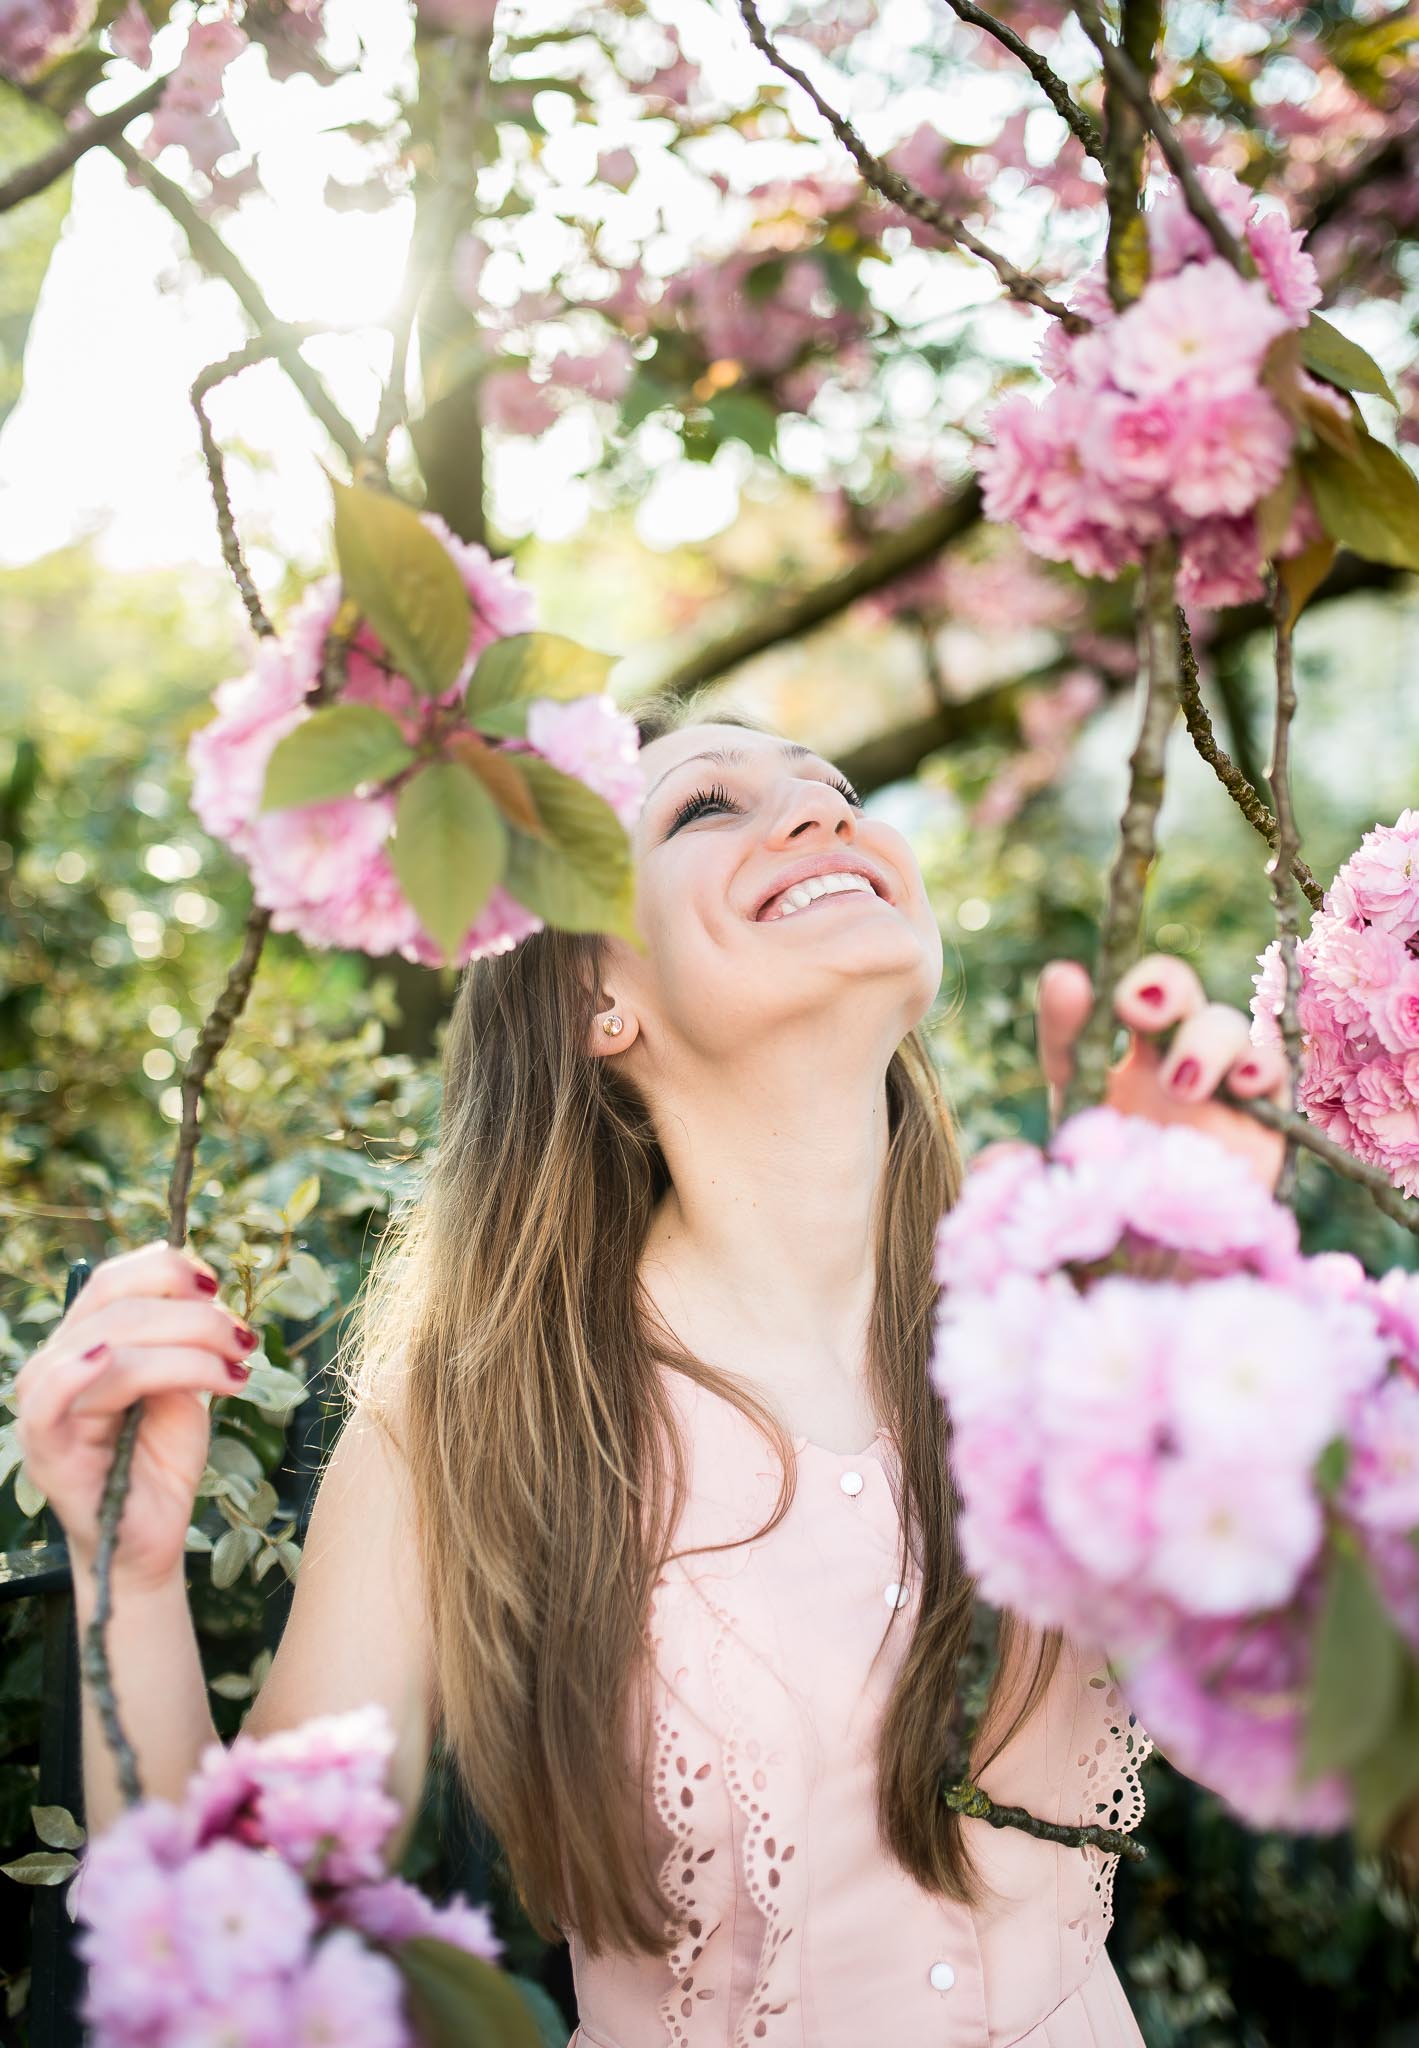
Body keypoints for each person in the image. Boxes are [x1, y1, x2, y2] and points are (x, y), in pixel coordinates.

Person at [16, 700, 1297, 2048]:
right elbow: (256, 1917)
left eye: (833, 784)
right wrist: (131, 1575)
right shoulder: (472, 1413)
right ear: (593, 996)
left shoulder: (1072, 1315)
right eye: (706, 808)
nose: (823, 815)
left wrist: (1215, 1323)